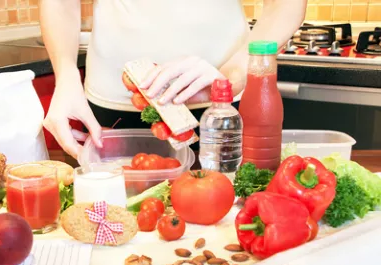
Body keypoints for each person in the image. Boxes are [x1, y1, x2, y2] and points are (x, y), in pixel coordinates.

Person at [39, 0, 307, 159]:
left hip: (220, 107)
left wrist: (233, 75)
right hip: (111, 108)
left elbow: (285, 5)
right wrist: (65, 76)